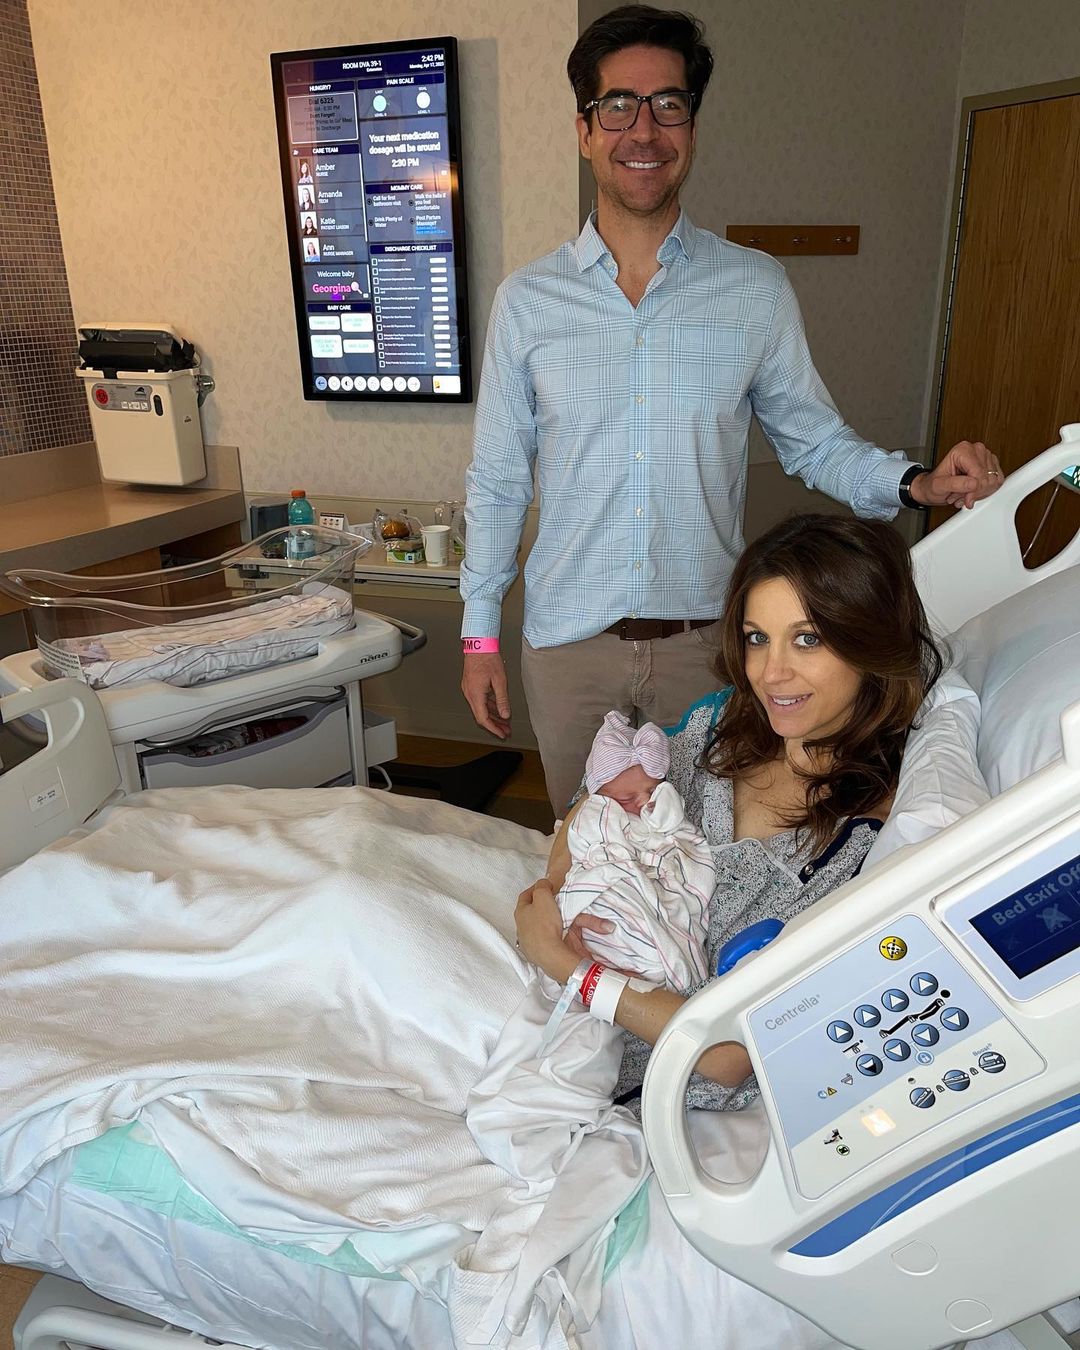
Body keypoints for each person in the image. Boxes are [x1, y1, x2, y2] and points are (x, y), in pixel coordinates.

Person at [459, 4, 1003, 816]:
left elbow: (815, 442)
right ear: (585, 130)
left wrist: (917, 483)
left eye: (668, 104)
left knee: (708, 848)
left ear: (692, 126)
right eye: (619, 105)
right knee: (587, 852)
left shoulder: (753, 289)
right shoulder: (528, 304)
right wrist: (478, 637)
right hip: (567, 649)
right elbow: (499, 481)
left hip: (709, 648)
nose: (644, 129)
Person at [513, 513, 943, 1112]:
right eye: (757, 637)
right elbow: (596, 806)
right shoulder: (723, 726)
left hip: (612, 1043)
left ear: (871, 641)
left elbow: (727, 1051)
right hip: (546, 960)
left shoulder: (852, 849)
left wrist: (565, 965)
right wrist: (560, 900)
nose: (772, 673)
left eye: (809, 638)